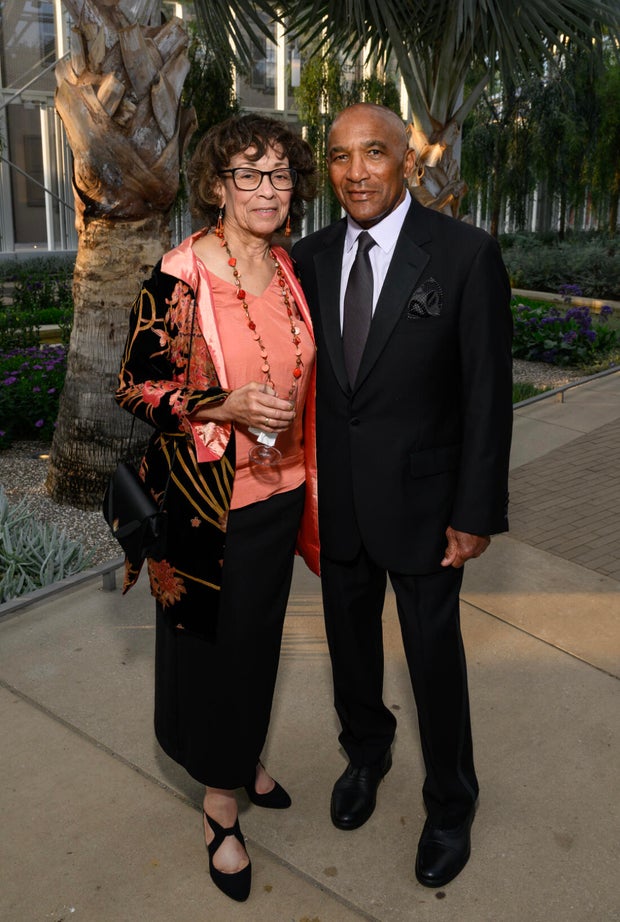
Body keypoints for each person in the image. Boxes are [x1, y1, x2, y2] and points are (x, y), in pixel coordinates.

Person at [292, 103, 512, 888]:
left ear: (407, 164)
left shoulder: (463, 254)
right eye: (342, 157)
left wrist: (475, 511)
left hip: (427, 508)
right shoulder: (308, 257)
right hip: (340, 504)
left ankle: (451, 802)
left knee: (434, 664)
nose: (356, 172)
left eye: (374, 153)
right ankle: (366, 753)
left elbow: (487, 395)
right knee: (350, 655)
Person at [115, 113, 318, 903]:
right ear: (216, 185)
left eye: (279, 173)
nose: (266, 188)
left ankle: (244, 756)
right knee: (211, 653)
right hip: (208, 506)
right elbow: (136, 383)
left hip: (282, 494)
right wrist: (221, 404)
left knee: (259, 646)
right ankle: (220, 806)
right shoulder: (180, 272)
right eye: (248, 173)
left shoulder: (288, 267)